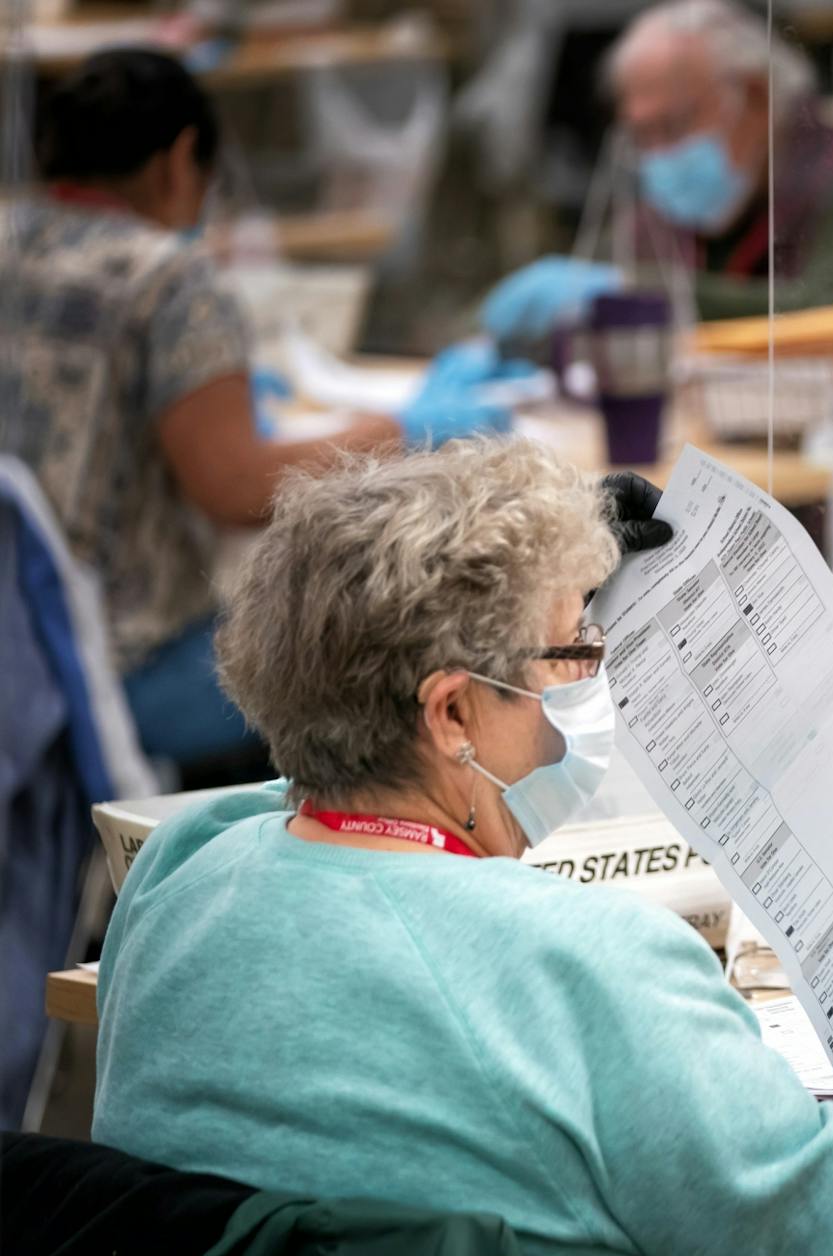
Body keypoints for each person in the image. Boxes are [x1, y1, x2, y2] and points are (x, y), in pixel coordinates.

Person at [90, 437, 833, 1256]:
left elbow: (319, 777)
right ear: (450, 713)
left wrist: (546, 567)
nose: (588, 676)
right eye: (569, 652)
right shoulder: (593, 963)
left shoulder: (179, 880)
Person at [0, 49, 512, 772]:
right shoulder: (169, 281)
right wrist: (401, 431)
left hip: (17, 641)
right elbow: (240, 489)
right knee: (391, 665)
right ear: (181, 160)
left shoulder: (10, 242)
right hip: (111, 660)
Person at [480, 0, 833, 343]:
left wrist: (633, 295)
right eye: (640, 136)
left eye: (673, 126)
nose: (658, 156)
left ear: (757, 96)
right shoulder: (671, 216)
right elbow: (583, 284)